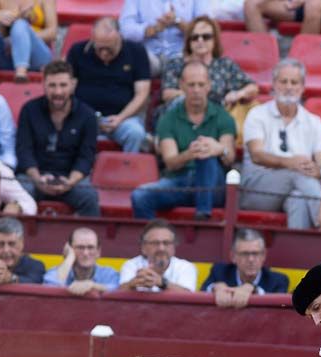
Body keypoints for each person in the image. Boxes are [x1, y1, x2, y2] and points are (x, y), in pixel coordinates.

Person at [133, 61, 235, 219]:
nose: (196, 90)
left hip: (214, 186)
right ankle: (155, 240)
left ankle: (203, 216)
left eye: (201, 85)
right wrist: (190, 153)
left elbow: (229, 158)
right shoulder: (168, 118)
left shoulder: (223, 116)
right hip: (180, 182)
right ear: (182, 86)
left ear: (209, 85)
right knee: (139, 196)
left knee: (206, 156)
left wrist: (218, 149)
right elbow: (171, 162)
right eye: (191, 85)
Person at [239, 58, 321, 230]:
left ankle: (299, 255)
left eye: (294, 82)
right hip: (257, 192)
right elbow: (257, 155)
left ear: (302, 87)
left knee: (298, 199)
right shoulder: (257, 114)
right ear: (273, 84)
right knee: (297, 174)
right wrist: (291, 163)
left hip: (296, 188)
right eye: (283, 81)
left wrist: (319, 170)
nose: (288, 87)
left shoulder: (314, 122)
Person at [15, 60, 101, 217]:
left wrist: (70, 182)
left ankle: (86, 241)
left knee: (89, 198)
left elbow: (86, 157)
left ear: (73, 85)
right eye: (52, 85)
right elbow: (24, 151)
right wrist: (38, 179)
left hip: (70, 179)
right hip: (33, 177)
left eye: (63, 85)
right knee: (18, 196)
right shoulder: (29, 110)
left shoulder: (87, 115)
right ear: (44, 85)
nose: (58, 92)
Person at [68, 17, 152, 153]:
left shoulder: (136, 52)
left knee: (136, 133)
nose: (104, 53)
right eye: (99, 48)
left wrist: (120, 118)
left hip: (123, 118)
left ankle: (128, 170)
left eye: (109, 48)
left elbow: (142, 93)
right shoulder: (78, 51)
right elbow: (68, 89)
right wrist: (85, 116)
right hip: (84, 116)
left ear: (119, 38)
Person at [160, 15, 258, 115]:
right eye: (195, 37)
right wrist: (197, 96)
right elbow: (167, 93)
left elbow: (252, 87)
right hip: (183, 115)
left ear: (215, 40)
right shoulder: (176, 64)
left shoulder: (225, 65)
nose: (200, 40)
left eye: (206, 37)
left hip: (217, 118)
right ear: (189, 42)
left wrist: (237, 94)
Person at [201, 227, 289, 306]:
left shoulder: (278, 280)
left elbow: (278, 308)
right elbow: (203, 291)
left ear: (264, 256)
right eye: (245, 254)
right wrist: (216, 288)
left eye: (256, 253)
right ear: (233, 256)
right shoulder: (219, 272)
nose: (251, 259)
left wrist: (254, 290)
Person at [0, 0, 57, 83]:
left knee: (20, 25)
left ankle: (21, 74)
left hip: (36, 55)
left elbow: (52, 32)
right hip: (4, 51)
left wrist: (22, 37)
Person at [122, 0, 202, 73]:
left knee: (195, 64)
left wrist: (177, 21)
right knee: (131, 63)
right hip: (149, 56)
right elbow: (125, 30)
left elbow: (205, 30)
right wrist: (153, 29)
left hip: (182, 55)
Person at [118, 219, 198, 292]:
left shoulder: (186, 267)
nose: (161, 248)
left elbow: (188, 296)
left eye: (166, 243)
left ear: (174, 247)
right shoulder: (131, 265)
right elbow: (119, 295)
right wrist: (132, 284)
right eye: (155, 243)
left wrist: (162, 283)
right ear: (143, 247)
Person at [43, 227, 121, 293]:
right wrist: (69, 258)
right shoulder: (56, 271)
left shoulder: (108, 274)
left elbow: (119, 289)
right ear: (70, 249)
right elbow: (50, 288)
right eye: (80, 247)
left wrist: (92, 285)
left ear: (98, 252)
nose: (86, 253)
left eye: (90, 247)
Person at [243, 0, 321, 37]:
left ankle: (297, 67)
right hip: (295, 5)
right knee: (252, 4)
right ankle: (265, 61)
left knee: (314, 5)